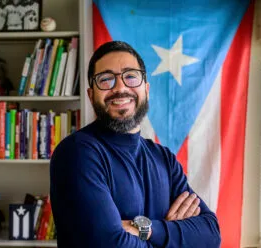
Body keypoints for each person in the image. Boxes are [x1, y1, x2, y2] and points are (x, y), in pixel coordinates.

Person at [49, 41, 221, 248]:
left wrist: (146, 228)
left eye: (131, 76)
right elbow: (111, 244)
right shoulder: (77, 153)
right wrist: (173, 238)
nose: (120, 88)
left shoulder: (163, 158)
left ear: (146, 89)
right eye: (105, 79)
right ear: (91, 94)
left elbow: (211, 234)